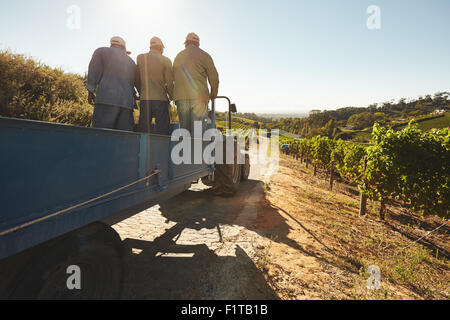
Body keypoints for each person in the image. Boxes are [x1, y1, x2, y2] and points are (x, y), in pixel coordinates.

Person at [86, 36, 139, 131]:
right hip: (127, 105)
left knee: (101, 135)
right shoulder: (131, 61)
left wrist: (90, 90)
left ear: (111, 44)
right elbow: (135, 82)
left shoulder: (100, 52)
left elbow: (94, 71)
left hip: (106, 100)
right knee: (123, 138)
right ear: (124, 47)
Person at [173, 33, 219, 135]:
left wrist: (174, 95)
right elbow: (214, 79)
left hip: (181, 99)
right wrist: (213, 95)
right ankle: (196, 151)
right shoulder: (205, 56)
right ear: (198, 43)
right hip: (199, 99)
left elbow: (173, 76)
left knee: (184, 133)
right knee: (198, 134)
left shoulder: (178, 56)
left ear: (186, 43)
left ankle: (185, 151)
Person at [136, 37, 174, 135]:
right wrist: (172, 97)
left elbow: (137, 78)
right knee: (162, 131)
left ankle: (143, 150)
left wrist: (141, 92)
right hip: (161, 100)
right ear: (161, 47)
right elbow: (169, 83)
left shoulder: (140, 58)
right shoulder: (166, 60)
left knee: (143, 131)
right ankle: (161, 149)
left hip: (145, 99)